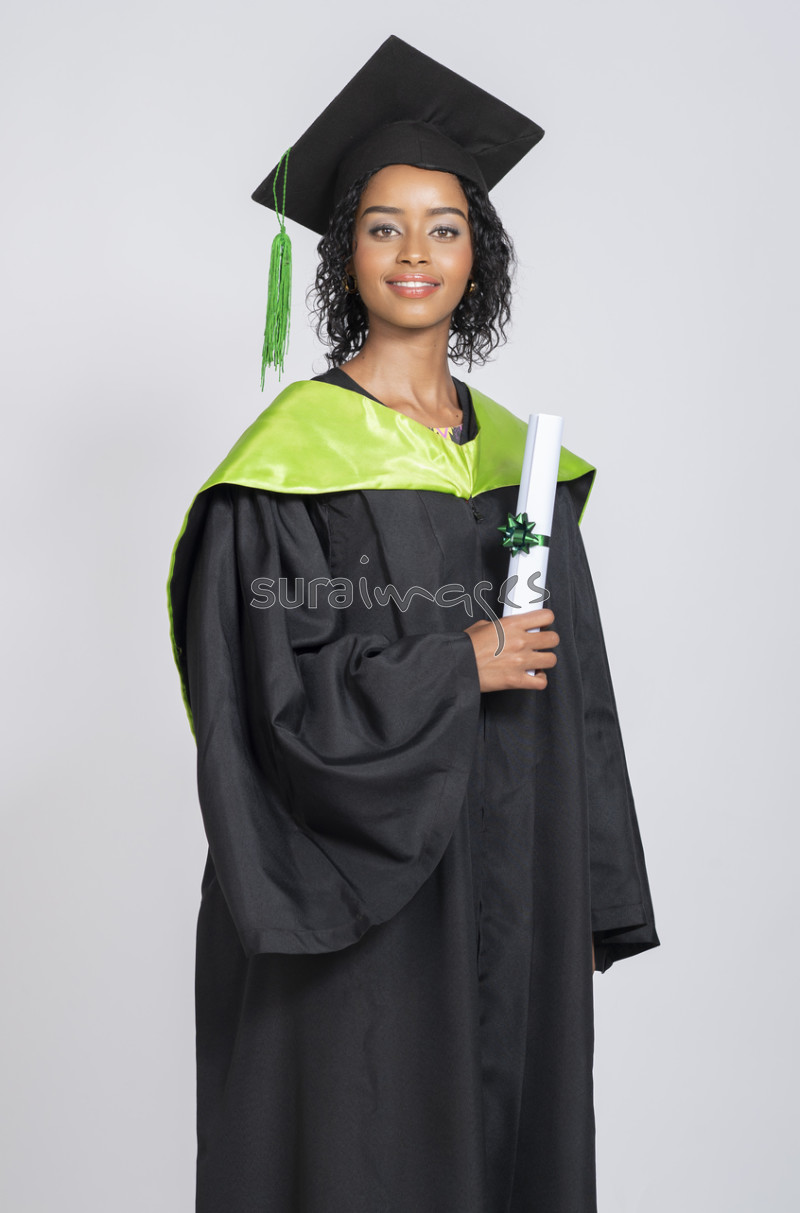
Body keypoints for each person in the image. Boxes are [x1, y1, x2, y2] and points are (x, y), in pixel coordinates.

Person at [167, 34, 660, 1213]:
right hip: (359, 891)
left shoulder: (520, 466)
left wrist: (592, 882)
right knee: (364, 1146)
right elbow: (268, 699)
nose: (413, 254)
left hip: (511, 873)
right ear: (346, 250)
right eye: (383, 227)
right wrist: (457, 663)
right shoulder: (288, 466)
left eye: (443, 228)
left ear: (476, 253)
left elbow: (578, 691)